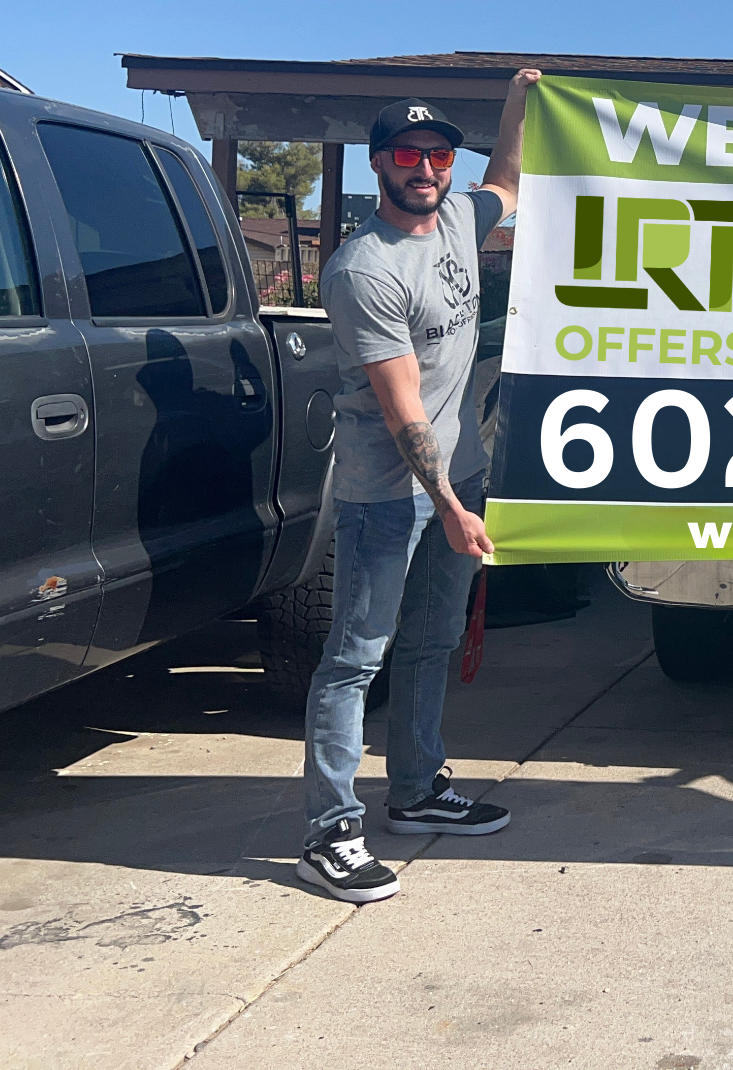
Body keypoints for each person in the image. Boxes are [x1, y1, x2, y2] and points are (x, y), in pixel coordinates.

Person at [297, 69, 541, 903]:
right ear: (379, 166)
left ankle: (415, 791)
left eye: (438, 153)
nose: (427, 168)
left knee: (433, 641)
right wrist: (449, 509)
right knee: (355, 659)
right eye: (408, 154)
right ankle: (329, 832)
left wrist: (517, 102)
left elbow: (505, 181)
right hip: (386, 492)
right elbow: (405, 414)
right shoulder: (364, 270)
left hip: (455, 478)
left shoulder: (459, 221)